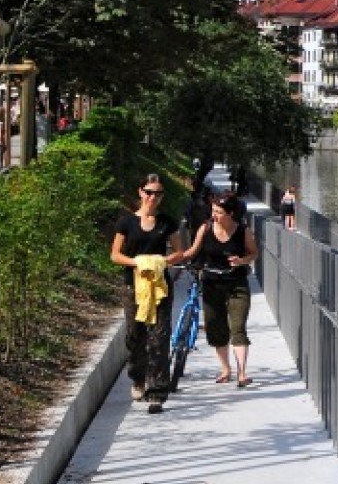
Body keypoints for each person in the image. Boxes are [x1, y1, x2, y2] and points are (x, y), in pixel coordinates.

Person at [109, 173, 185, 414]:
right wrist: (138, 263)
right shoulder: (126, 222)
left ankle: (157, 391)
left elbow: (179, 253)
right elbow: (115, 255)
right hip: (134, 287)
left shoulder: (167, 222)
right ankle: (138, 378)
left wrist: (161, 261)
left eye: (158, 193)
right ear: (140, 192)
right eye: (149, 192)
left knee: (160, 337)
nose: (153, 197)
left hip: (160, 287)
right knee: (135, 335)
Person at [179, 194, 258, 387]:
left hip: (236, 283)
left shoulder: (242, 231)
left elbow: (254, 253)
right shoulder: (205, 229)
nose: (214, 215)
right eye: (213, 211)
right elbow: (192, 251)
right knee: (216, 328)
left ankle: (242, 373)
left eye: (219, 212)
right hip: (212, 283)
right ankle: (226, 369)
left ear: (230, 214)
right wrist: (170, 260)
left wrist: (242, 261)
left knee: (238, 327)